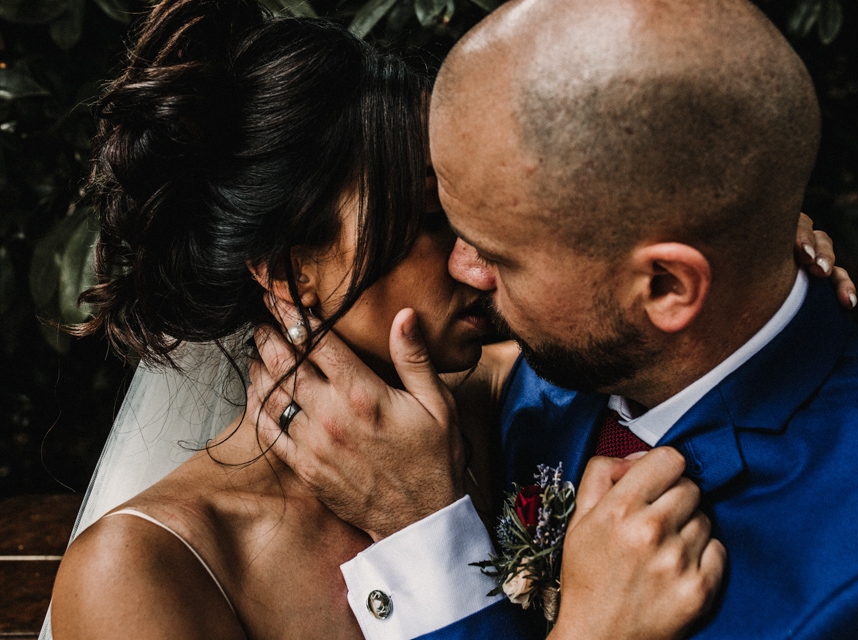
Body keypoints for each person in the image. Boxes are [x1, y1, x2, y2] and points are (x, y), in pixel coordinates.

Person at [250, 0, 858, 638]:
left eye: (498, 253)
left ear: (665, 287)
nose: (463, 270)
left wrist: (423, 537)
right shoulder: (564, 366)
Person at [45, 0, 752, 638]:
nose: (480, 260)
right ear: (290, 269)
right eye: (430, 221)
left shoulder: (518, 396)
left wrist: (756, 248)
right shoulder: (149, 567)